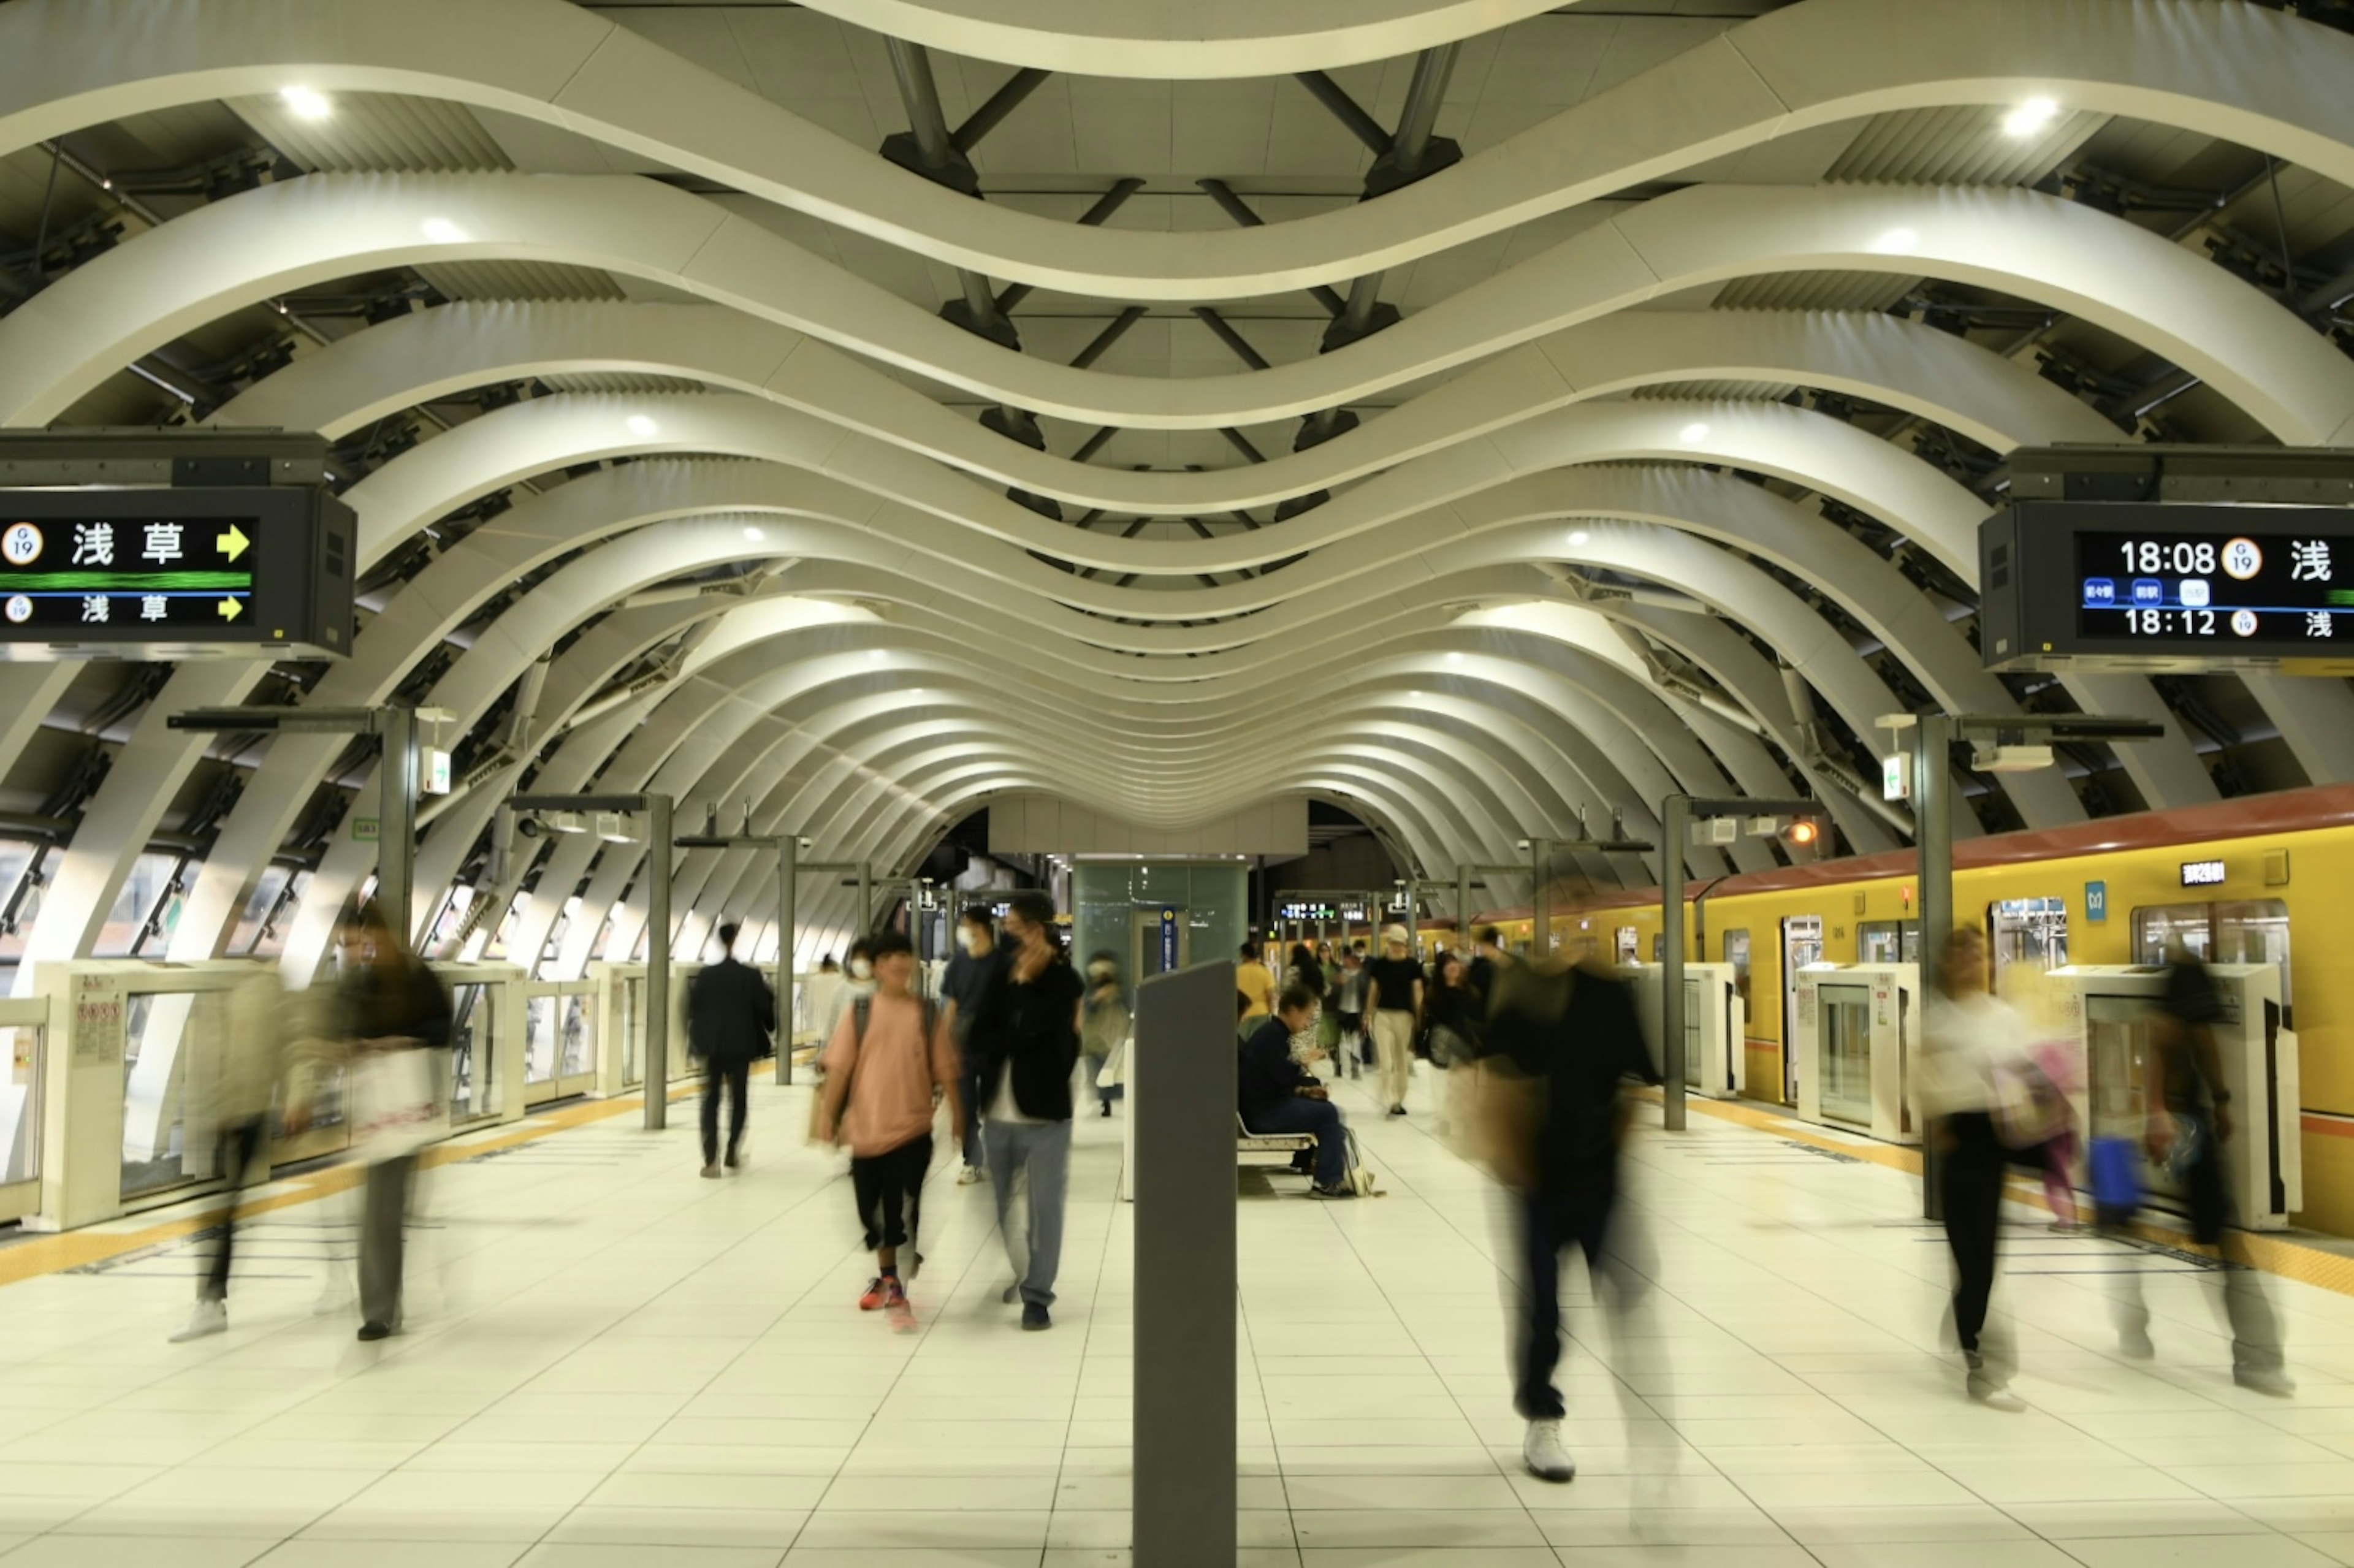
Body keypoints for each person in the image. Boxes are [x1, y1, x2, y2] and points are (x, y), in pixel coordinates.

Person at [1481, 954, 1659, 1483]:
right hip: (1539, 1183)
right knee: (1543, 1305)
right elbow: (1497, 1090)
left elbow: (1635, 1086)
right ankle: (1542, 1414)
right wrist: (1519, 1169)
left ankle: (1649, 1439)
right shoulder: (1519, 997)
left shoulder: (1611, 996)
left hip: (1601, 1181)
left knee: (1628, 1299)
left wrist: (1612, 1159)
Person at [2116, 950, 2291, 1395]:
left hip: (2183, 1133)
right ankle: (2257, 1354)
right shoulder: (2170, 1026)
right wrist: (2167, 1116)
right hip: (2183, 1136)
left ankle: (2137, 1324)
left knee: (2154, 1233)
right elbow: (2163, 1067)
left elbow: (2199, 1051)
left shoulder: (2179, 1019)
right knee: (2222, 1243)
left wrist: (2219, 1101)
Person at [817, 931, 962, 1331]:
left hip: (912, 1130)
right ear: (877, 966)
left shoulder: (927, 1013)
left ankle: (895, 1286)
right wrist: (828, 1116)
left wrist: (961, 1118)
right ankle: (889, 1272)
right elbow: (841, 1068)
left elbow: (947, 1069)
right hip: (865, 1131)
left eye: (905, 955)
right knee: (871, 1212)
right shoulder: (859, 1013)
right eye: (891, 956)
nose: (900, 963)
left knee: (898, 1209)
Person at [1914, 927, 2028, 1410]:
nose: (1972, 962)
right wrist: (1935, 1124)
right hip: (1958, 1140)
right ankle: (1979, 1362)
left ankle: (1966, 1326)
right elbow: (1921, 1075)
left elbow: (2022, 1074)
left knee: (1987, 1253)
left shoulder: (2005, 1017)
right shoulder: (1937, 1019)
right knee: (1973, 1256)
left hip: (1995, 1139)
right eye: (1962, 954)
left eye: (1979, 954)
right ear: (1946, 963)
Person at [332, 902, 452, 1344]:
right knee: (372, 1213)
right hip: (374, 1112)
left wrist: (405, 1042)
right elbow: (345, 1031)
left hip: (410, 1109)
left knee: (391, 1210)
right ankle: (378, 1310)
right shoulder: (362, 982)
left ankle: (385, 1307)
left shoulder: (419, 978)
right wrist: (359, 1048)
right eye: (363, 942)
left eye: (372, 940)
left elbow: (443, 1030)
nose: (369, 949)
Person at [969, 892, 1084, 1330]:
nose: (1008, 932)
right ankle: (1023, 1271)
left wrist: (1023, 992)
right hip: (997, 1113)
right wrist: (1019, 1016)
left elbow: (1054, 1038)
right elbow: (980, 1039)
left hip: (1045, 1114)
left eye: (1015, 925)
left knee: (1045, 1207)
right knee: (998, 1204)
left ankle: (1037, 1295)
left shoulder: (1065, 981)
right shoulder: (999, 977)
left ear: (1038, 927)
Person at [168, 970, 297, 1342]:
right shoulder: (233, 984)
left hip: (244, 1114)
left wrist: (294, 1097)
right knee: (219, 1211)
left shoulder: (260, 984)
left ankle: (210, 1301)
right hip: (224, 1114)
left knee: (220, 1212)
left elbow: (284, 1048)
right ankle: (209, 1299)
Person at [1240, 987, 1354, 1198]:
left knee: (1324, 1109)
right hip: (1265, 1113)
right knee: (1329, 1114)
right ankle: (1327, 1182)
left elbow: (1275, 1079)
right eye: (1307, 1016)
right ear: (1293, 1010)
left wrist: (1305, 1091)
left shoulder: (1272, 1034)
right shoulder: (1272, 1037)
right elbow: (1282, 1076)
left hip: (1262, 1107)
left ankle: (1318, 1168)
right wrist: (1303, 1063)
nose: (1307, 1023)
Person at [689, 919, 775, 1178]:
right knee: (738, 1099)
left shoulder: (706, 976)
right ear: (735, 940)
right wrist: (769, 1029)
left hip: (712, 1048)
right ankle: (732, 1151)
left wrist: (698, 1040)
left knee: (710, 1102)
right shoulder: (750, 976)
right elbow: (765, 1009)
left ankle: (710, 1160)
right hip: (741, 1047)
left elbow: (693, 1010)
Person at [940, 907, 1008, 1181]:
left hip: (996, 1043)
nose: (964, 931)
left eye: (967, 925)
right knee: (966, 1104)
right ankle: (973, 1159)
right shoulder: (958, 963)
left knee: (995, 1105)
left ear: (981, 928)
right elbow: (951, 1007)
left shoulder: (1004, 963)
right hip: (964, 1044)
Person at [1365, 924, 1425, 1116]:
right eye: (1393, 943)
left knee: (1401, 1059)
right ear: (1388, 943)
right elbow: (1373, 990)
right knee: (1385, 1060)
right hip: (1383, 1015)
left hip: (1404, 1017)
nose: (1397, 946)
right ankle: (1390, 1097)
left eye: (1400, 943)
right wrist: (1368, 1014)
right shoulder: (1380, 965)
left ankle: (1399, 1099)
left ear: (1405, 945)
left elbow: (1417, 992)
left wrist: (1419, 1015)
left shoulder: (1412, 966)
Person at [1080, 951, 1129, 1117]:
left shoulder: (1120, 991)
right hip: (1096, 1039)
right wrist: (1096, 999)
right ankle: (1105, 1102)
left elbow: (1128, 1007)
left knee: (1115, 1070)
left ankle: (1112, 1099)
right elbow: (1085, 1011)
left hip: (1115, 1037)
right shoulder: (1089, 992)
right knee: (1099, 1070)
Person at [1334, 948, 1368, 1078]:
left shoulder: (1361, 974)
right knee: (1342, 1041)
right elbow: (1334, 993)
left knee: (1355, 1041)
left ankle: (1355, 1069)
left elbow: (1365, 992)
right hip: (1343, 1012)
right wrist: (1338, 983)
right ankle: (1339, 1067)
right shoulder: (1340, 973)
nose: (1346, 961)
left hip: (1356, 1012)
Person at [1235, 941, 1277, 1033]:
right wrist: (1272, 1012)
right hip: (1262, 1012)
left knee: (1243, 1043)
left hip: (1243, 1013)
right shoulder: (1264, 971)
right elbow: (1270, 995)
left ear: (1244, 955)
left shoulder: (1237, 972)